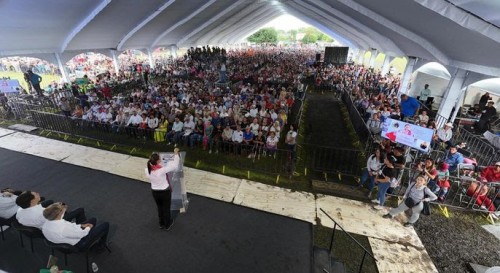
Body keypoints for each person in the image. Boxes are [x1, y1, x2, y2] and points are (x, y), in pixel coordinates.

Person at [42, 203, 109, 251]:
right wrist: (89, 227)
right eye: (63, 209)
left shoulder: (45, 224)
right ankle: (101, 246)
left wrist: (81, 225)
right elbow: (82, 234)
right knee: (105, 224)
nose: (65, 208)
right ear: (59, 214)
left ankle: (94, 237)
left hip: (64, 240)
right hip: (80, 243)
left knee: (93, 220)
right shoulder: (64, 228)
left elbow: (70, 226)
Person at [145, 148, 181, 230]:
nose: (161, 160)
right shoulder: (161, 170)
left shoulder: (147, 170)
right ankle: (168, 224)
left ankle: (161, 223)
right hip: (165, 192)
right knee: (166, 208)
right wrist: (176, 154)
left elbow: (151, 164)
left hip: (154, 192)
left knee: (159, 208)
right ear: (157, 161)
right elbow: (175, 165)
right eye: (159, 159)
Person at [15, 191, 86, 229]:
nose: (38, 193)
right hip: (52, 224)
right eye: (36, 194)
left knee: (50, 201)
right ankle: (81, 227)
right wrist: (62, 209)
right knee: (80, 210)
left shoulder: (19, 210)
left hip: (38, 224)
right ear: (31, 201)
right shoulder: (40, 214)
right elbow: (55, 219)